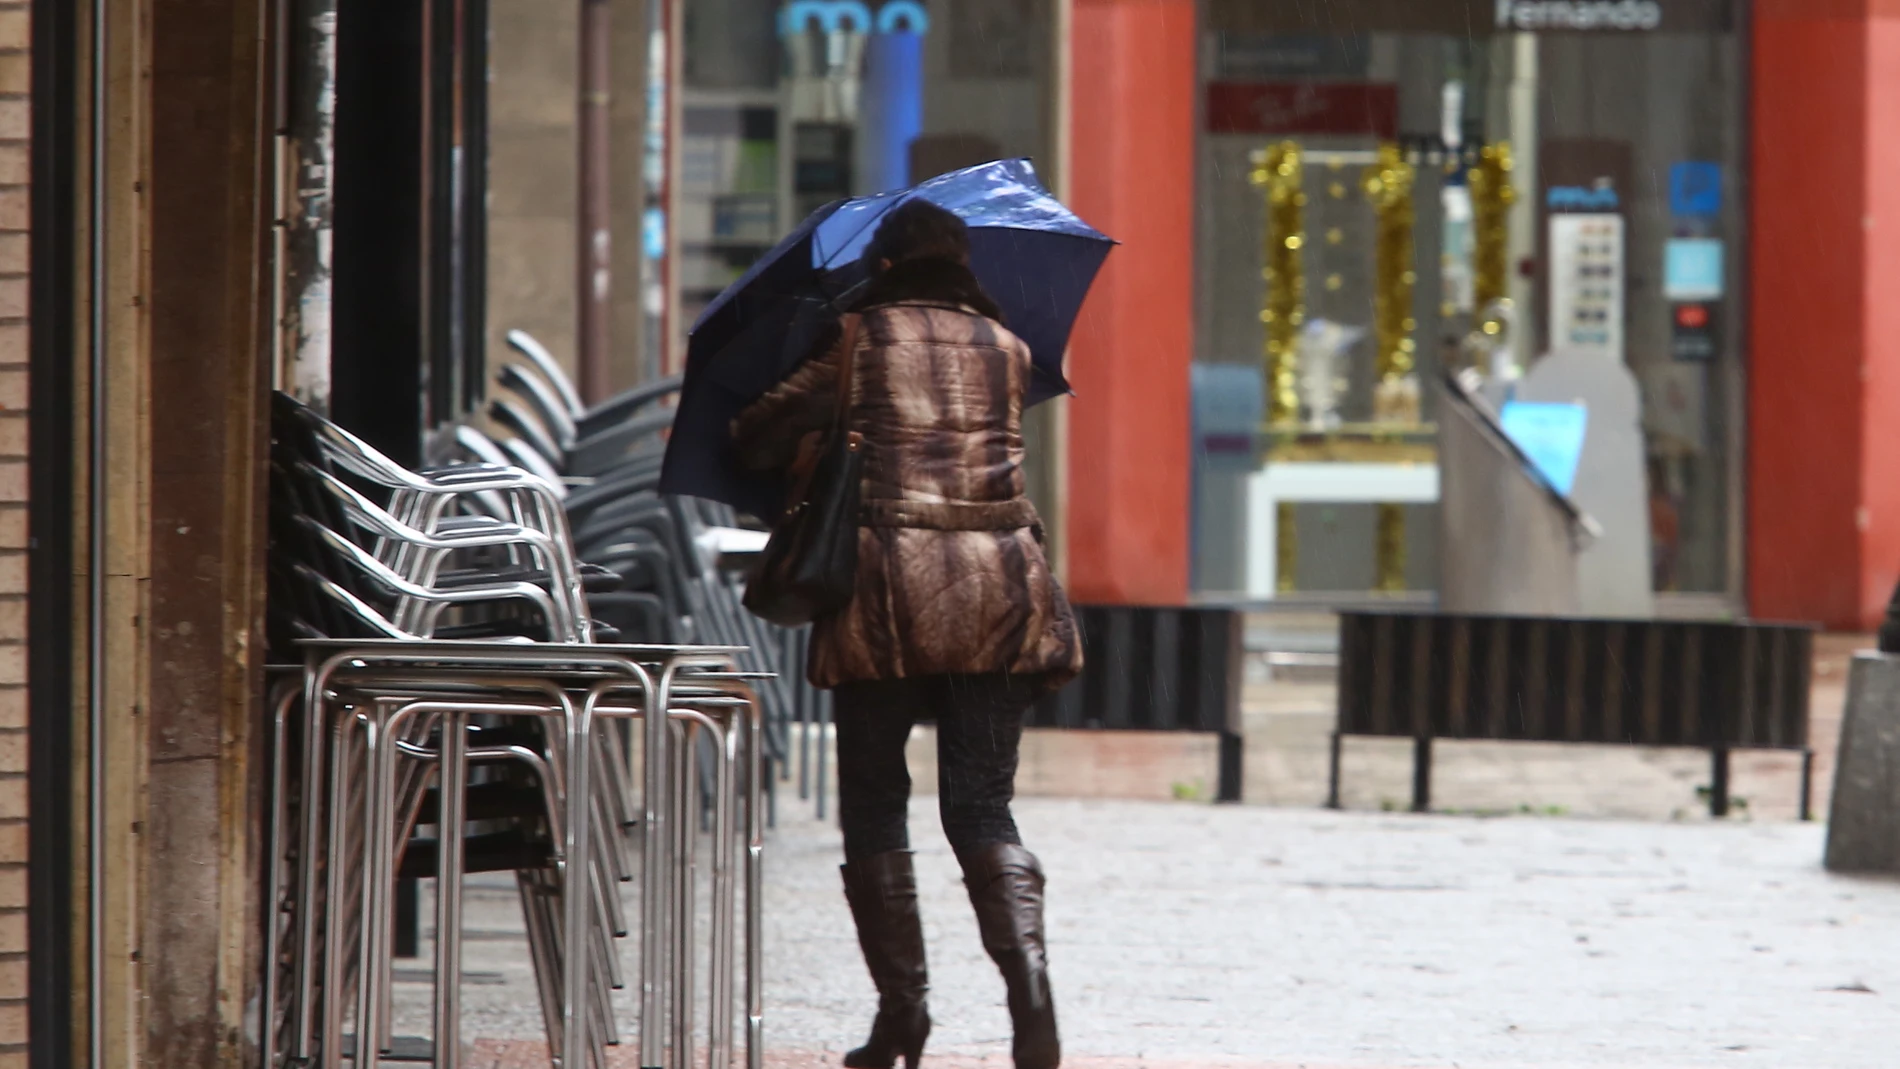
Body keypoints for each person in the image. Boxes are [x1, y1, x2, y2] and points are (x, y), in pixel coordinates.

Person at [732, 199, 1082, 1069]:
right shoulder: (1008, 350)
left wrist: (814, 430)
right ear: (964, 265)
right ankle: (1031, 994)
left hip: (883, 589)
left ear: (884, 267)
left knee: (876, 801)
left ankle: (903, 1016)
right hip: (999, 588)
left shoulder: (858, 338)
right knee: (981, 804)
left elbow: (756, 433)